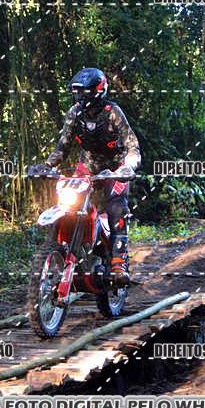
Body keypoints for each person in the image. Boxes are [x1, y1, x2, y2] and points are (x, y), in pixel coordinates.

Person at [43, 67, 141, 285]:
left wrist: (128, 167)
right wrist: (47, 165)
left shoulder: (113, 112)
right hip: (87, 167)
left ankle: (118, 263)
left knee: (117, 207)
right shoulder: (74, 113)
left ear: (97, 91)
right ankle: (66, 250)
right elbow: (63, 146)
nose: (79, 97)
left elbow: (132, 146)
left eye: (83, 92)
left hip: (115, 168)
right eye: (76, 92)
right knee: (69, 203)